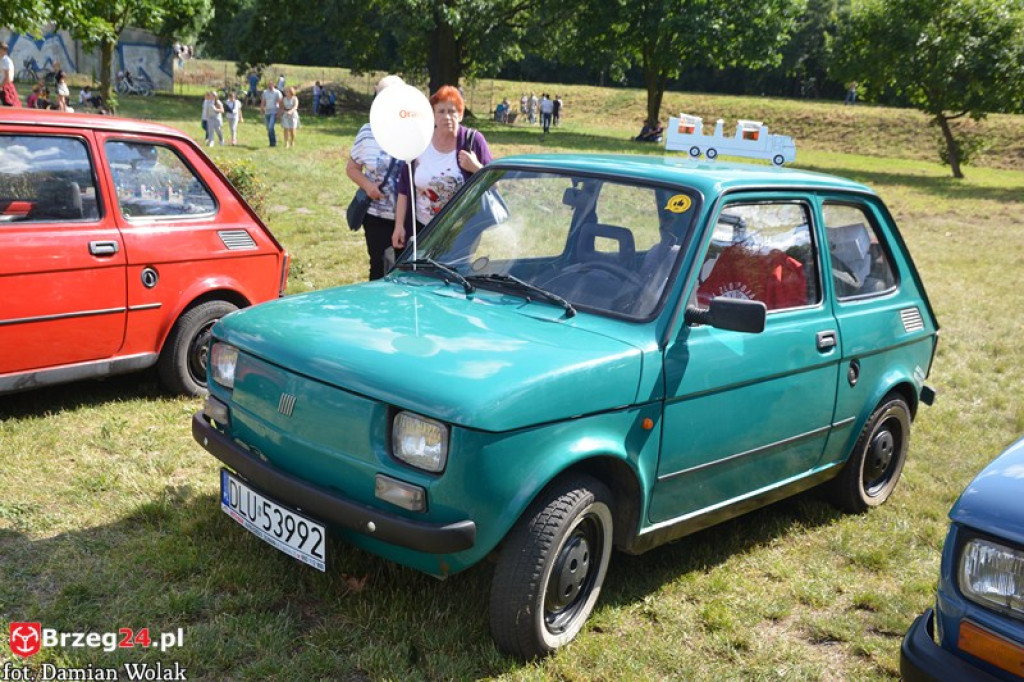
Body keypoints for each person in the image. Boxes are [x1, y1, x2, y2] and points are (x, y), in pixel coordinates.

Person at [392, 85, 493, 253]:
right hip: (422, 229)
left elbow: (495, 182)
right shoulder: (420, 143)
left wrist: (476, 168)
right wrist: (399, 226)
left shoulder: (473, 141)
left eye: (452, 111)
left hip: (460, 232)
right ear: (432, 116)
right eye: (441, 111)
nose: (447, 117)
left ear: (460, 115)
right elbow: (404, 189)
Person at [347, 74, 405, 280]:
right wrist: (368, 186)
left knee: (407, 272)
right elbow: (352, 168)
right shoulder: (367, 132)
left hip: (410, 218)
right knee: (379, 269)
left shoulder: (415, 132)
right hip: (376, 217)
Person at [259, 80, 283, 147]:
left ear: (274, 85)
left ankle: (274, 143)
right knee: (268, 128)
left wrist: (279, 113)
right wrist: (261, 110)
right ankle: (271, 143)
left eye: (271, 84)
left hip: (274, 112)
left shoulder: (277, 92)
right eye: (269, 84)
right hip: (267, 112)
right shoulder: (265, 92)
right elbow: (263, 102)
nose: (270, 85)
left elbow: (280, 103)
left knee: (270, 127)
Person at [1, 42, 22, 107]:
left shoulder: (6, 61)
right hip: (3, 86)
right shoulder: (1, 60)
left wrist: (0, 86)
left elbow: (8, 78)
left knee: (10, 106)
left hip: (6, 87)